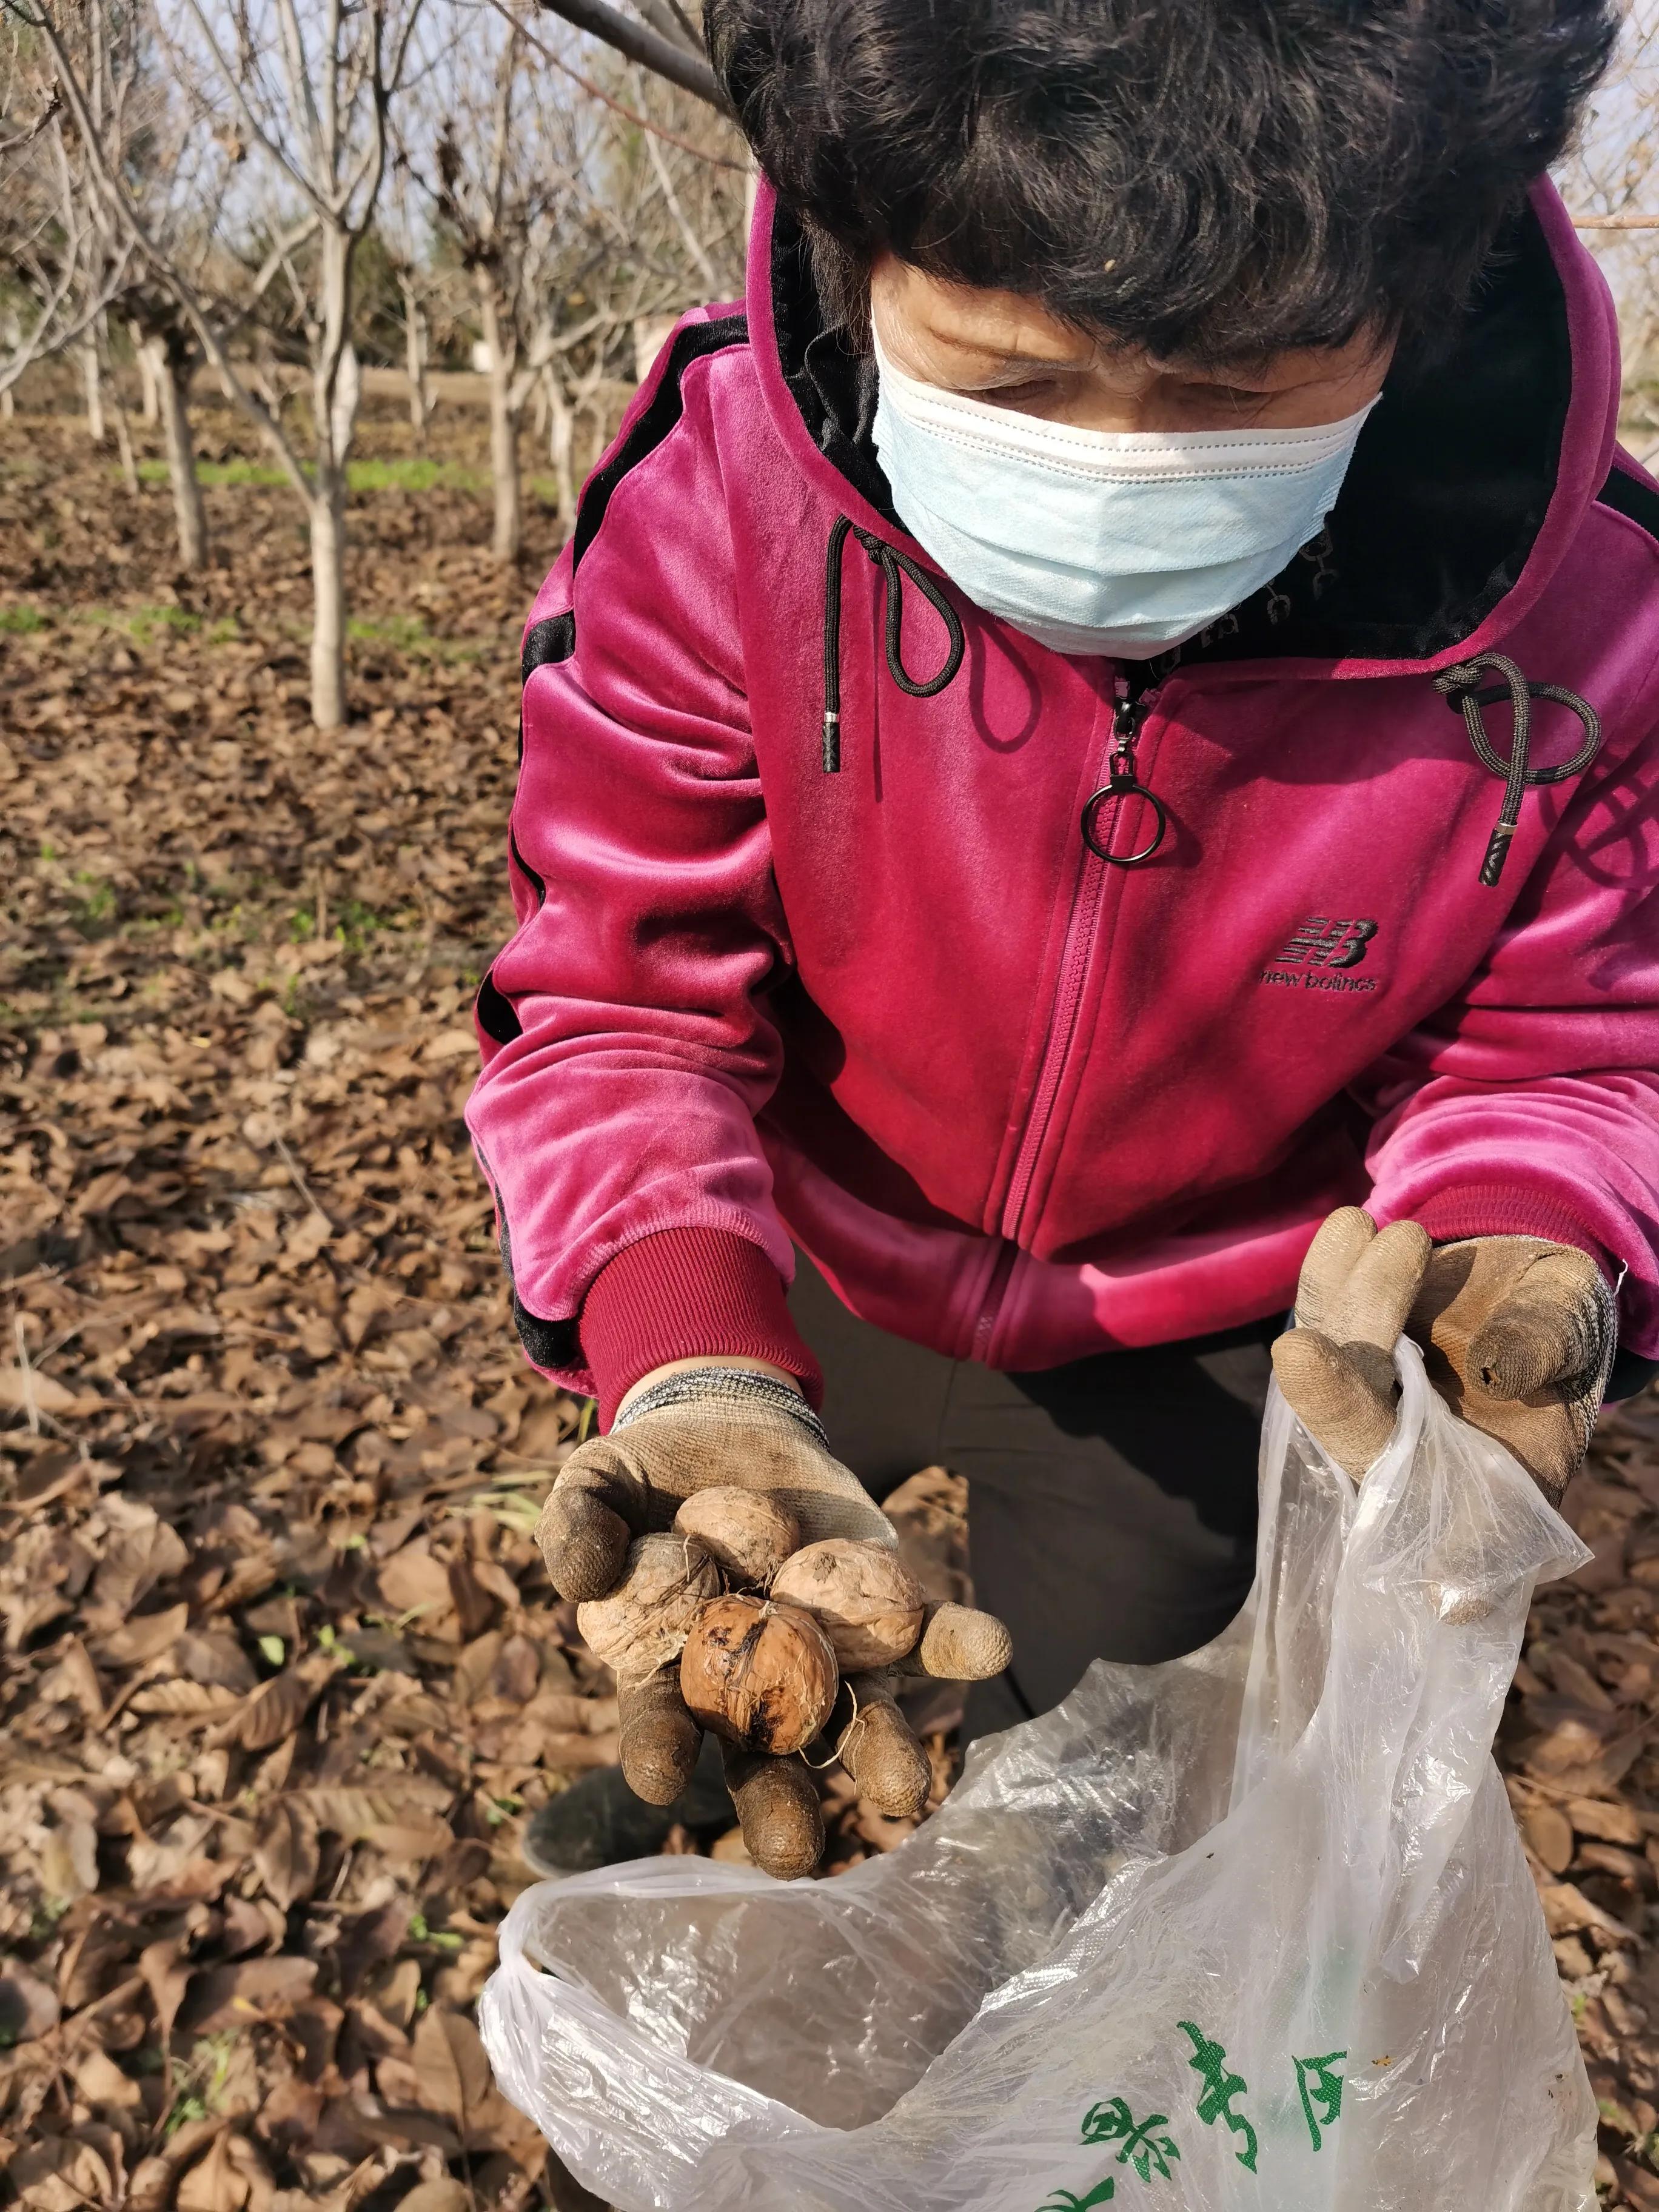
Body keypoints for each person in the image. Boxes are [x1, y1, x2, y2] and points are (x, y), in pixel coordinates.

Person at [467, 0, 1659, 1878]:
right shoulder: (727, 498)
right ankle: (670, 1809)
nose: (1120, 471)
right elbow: (621, 1000)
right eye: (1014, 388)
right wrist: (689, 1351)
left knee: (1081, 1781)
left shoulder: (1584, 622)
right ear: (860, 263)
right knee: (732, 1619)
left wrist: (1523, 1257)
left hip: (1192, 1346)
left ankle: (998, 1947)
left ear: (1413, 308)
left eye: (1240, 398)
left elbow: (1567, 1043)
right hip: (803, 1249)